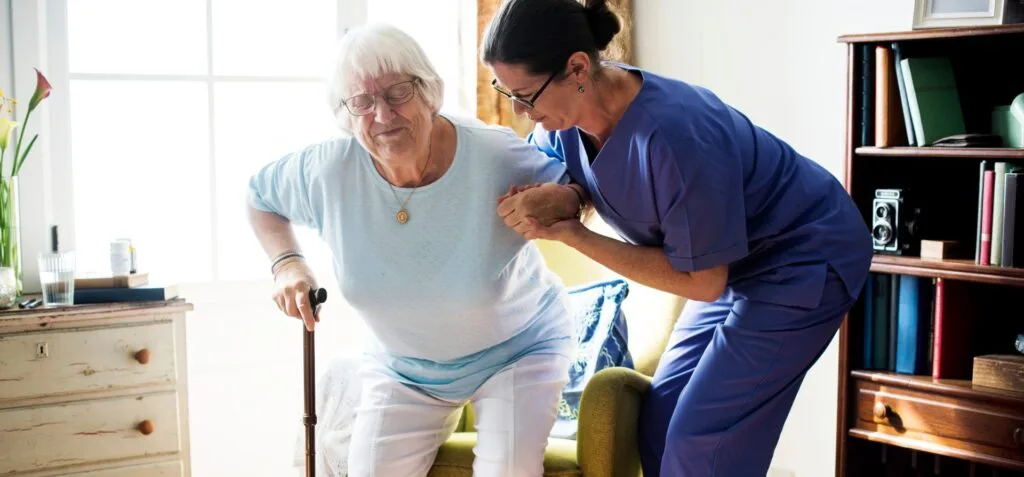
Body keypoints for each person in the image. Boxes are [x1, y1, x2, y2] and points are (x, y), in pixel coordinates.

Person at [480, 0, 874, 476]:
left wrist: (573, 234)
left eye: (526, 95)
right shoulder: (565, 122)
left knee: (702, 438)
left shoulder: (676, 134)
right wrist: (564, 198)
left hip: (804, 255)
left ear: (577, 67)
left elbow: (703, 282)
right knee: (660, 421)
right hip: (734, 264)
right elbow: (576, 179)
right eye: (507, 93)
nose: (520, 111)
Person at [246, 23, 582, 477]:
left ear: (430, 93)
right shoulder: (329, 171)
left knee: (507, 470)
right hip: (404, 367)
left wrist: (569, 200)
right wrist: (287, 263)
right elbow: (259, 197)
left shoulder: (493, 155)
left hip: (518, 350)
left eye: (397, 93)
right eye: (362, 102)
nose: (382, 116)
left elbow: (579, 191)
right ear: (346, 113)